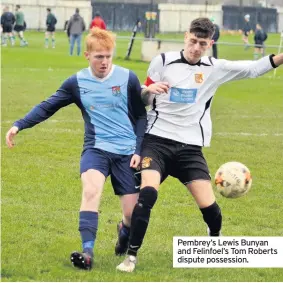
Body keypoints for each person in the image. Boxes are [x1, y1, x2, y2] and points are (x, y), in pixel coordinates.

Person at [116, 17, 283, 272]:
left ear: (210, 43)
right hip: (156, 141)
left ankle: (213, 244)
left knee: (212, 211)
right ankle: (131, 257)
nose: (196, 47)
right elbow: (142, 101)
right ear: (186, 36)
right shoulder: (162, 61)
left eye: (202, 43)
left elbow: (252, 68)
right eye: (193, 41)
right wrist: (150, 91)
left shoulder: (215, 68)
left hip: (189, 148)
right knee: (147, 195)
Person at [6, 27, 147, 270]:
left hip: (126, 152)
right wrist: (19, 125)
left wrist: (138, 149)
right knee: (91, 191)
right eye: (98, 57)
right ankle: (87, 252)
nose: (104, 62)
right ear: (87, 55)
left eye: (108, 56)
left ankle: (123, 232)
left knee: (131, 214)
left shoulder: (127, 78)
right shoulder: (77, 82)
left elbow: (141, 117)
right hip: (96, 149)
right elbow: (48, 106)